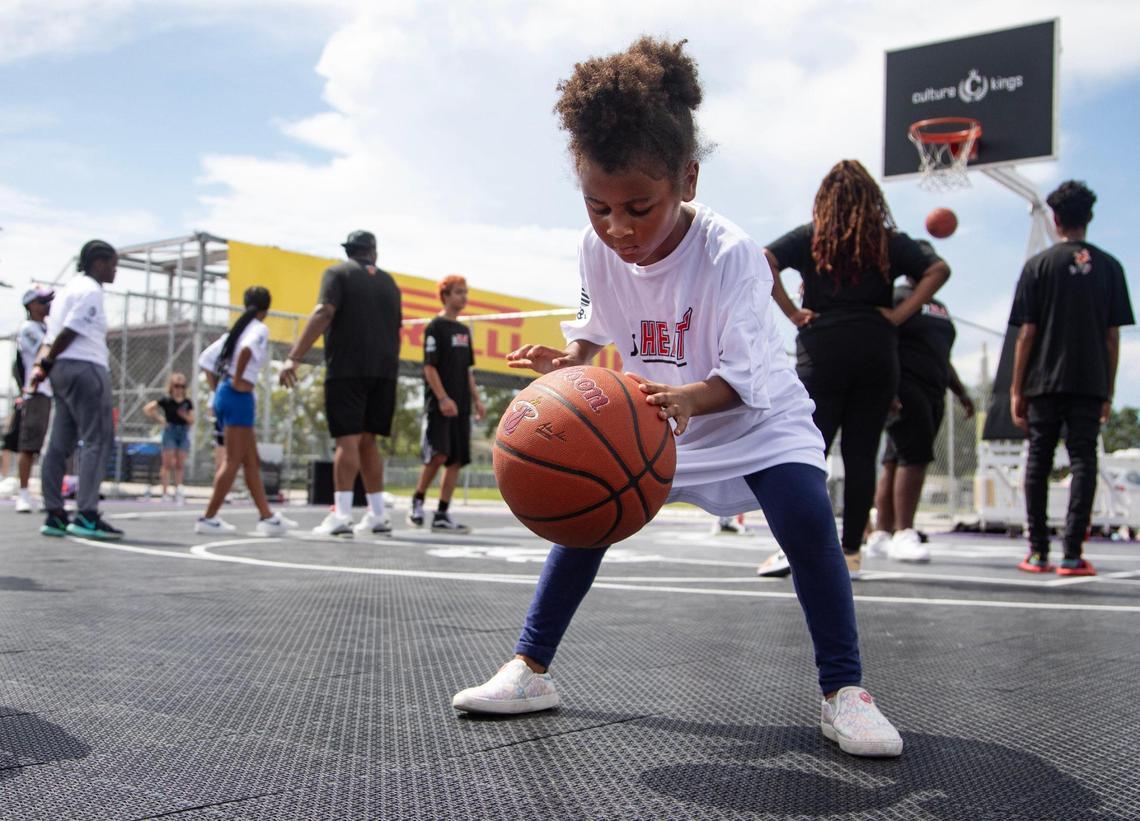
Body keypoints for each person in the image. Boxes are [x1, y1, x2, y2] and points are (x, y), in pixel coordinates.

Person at [451, 37, 903, 758]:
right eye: (598, 207)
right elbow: (594, 332)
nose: (618, 227)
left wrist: (689, 398)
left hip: (751, 415)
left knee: (810, 526)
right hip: (658, 416)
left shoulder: (731, 255)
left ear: (686, 180)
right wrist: (563, 362)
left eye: (639, 206)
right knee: (584, 517)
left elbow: (748, 376)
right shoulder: (595, 249)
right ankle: (530, 669)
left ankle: (845, 692)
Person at [757, 160, 950, 579]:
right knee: (862, 454)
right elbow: (938, 269)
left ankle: (792, 548)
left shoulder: (812, 237)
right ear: (871, 200)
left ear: (825, 200)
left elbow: (763, 259)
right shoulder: (885, 240)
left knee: (808, 450)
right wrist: (899, 315)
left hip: (822, 347)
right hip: (874, 347)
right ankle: (850, 554)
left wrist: (791, 311)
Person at [1009, 180, 1134, 576]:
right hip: (1089, 380)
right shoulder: (1111, 267)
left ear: (1056, 219)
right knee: (1083, 460)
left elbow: (1026, 333)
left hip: (1043, 380)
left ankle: (1038, 552)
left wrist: (1016, 389)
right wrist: (1108, 390)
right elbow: (1113, 338)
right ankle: (1072, 554)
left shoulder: (1037, 266)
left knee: (1038, 463)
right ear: (1090, 217)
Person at [280, 231, 402, 538]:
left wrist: (295, 356)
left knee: (347, 441)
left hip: (348, 368)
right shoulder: (390, 283)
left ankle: (342, 515)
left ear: (350, 252)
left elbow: (324, 312)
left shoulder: (336, 273)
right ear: (373, 252)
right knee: (369, 441)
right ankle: (377, 515)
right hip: (384, 371)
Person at [865, 242, 974, 563]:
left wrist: (961, 391)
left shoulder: (937, 305)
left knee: (894, 460)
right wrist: (887, 389)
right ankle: (905, 531)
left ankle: (883, 533)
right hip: (904, 385)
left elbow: (942, 354)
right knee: (914, 457)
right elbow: (881, 345)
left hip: (934, 388)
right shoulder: (897, 297)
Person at [31, 240, 123, 540]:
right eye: (112, 264)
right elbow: (70, 330)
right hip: (85, 367)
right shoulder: (91, 290)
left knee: (60, 441)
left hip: (62, 372)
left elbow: (53, 333)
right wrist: (47, 360)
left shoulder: (68, 290)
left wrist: (44, 365)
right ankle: (86, 513)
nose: (115, 269)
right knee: (98, 439)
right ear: (98, 264)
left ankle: (55, 513)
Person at [195, 287, 296, 536]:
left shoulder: (238, 330)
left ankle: (267, 517)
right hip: (239, 396)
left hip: (227, 394)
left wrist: (217, 390)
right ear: (266, 309)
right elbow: (248, 350)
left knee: (251, 461)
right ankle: (208, 518)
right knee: (232, 461)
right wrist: (238, 380)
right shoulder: (258, 329)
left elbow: (206, 360)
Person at [408, 275, 485, 533]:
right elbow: (429, 368)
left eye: (465, 292)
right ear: (445, 296)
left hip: (461, 406)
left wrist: (476, 400)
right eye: (458, 292)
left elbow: (467, 371)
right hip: (440, 406)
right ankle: (417, 502)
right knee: (438, 454)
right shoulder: (435, 327)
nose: (464, 297)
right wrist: (442, 398)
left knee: (455, 460)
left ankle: (442, 514)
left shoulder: (464, 331)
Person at [6, 286, 56, 513]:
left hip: (52, 394)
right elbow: (48, 352)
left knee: (50, 447)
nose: (47, 306)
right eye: (42, 302)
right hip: (35, 393)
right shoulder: (29, 329)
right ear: (30, 306)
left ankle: (48, 494)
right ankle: (23, 493)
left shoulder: (49, 328)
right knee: (29, 445)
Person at [143, 372, 194, 503]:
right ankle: (165, 493)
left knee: (179, 464)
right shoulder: (166, 400)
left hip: (183, 432)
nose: (179, 389)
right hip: (170, 430)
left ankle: (178, 491)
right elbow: (148, 408)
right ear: (172, 386)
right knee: (167, 464)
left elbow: (192, 419)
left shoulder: (188, 402)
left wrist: (184, 416)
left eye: (182, 386)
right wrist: (161, 420)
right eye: (177, 386)